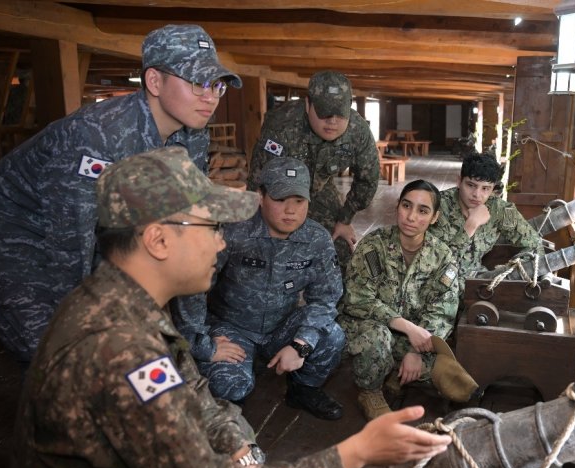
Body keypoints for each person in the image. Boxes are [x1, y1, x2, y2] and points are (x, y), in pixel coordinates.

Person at [9, 146, 451, 468]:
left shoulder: (120, 305)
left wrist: (242, 448)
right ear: (158, 240)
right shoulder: (119, 349)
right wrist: (354, 454)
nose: (222, 244)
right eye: (211, 227)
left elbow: (193, 394)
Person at [0, 24, 242, 364]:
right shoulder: (95, 135)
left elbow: (188, 227)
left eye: (216, 85)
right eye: (197, 82)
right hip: (16, 229)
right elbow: (69, 245)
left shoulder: (192, 135)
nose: (210, 97)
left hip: (92, 227)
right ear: (155, 82)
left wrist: (197, 341)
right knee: (60, 352)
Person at [171, 157, 345, 420]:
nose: (291, 210)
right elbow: (192, 288)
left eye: (299, 201)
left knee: (332, 336)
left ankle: (303, 389)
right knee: (230, 386)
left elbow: (326, 298)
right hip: (232, 328)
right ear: (260, 197)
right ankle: (241, 377)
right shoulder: (233, 231)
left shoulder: (317, 239)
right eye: (280, 199)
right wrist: (202, 344)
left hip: (281, 326)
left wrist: (301, 345)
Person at [338, 180, 462, 420]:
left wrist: (417, 352)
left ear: (434, 218)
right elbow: (358, 300)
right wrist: (407, 327)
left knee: (451, 376)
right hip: (367, 326)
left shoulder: (442, 256)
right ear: (397, 206)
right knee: (377, 338)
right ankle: (370, 391)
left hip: (412, 337)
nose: (411, 217)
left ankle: (398, 371)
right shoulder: (374, 246)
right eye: (406, 206)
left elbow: (442, 311)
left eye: (423, 211)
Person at [248, 70, 380, 274]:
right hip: (280, 193)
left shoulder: (358, 132)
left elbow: (367, 180)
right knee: (267, 252)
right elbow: (258, 179)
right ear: (308, 104)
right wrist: (259, 222)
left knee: (340, 248)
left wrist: (345, 220)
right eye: (325, 112)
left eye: (340, 113)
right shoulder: (281, 127)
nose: (332, 121)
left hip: (319, 188)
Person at [429, 151, 544, 282]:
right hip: (436, 283)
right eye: (471, 185)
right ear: (459, 181)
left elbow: (535, 244)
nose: (476, 194)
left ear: (493, 189)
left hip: (477, 281)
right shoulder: (436, 206)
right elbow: (431, 261)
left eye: (485, 188)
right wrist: (470, 226)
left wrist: (512, 271)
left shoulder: (501, 210)